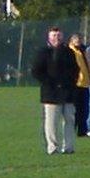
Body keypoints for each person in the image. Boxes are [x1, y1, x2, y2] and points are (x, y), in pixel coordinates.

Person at [30, 27, 79, 155]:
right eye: (53, 35)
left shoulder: (69, 52)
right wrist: (50, 82)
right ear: (49, 37)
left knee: (69, 120)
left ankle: (69, 147)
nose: (56, 38)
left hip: (68, 92)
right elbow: (36, 71)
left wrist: (71, 84)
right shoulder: (43, 52)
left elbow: (76, 70)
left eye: (58, 35)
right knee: (51, 122)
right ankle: (52, 147)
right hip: (50, 93)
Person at [69, 32, 90, 136]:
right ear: (72, 41)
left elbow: (88, 66)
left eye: (79, 40)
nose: (78, 42)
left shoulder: (83, 51)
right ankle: (71, 130)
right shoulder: (71, 51)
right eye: (76, 40)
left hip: (85, 83)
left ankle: (82, 131)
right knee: (75, 109)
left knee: (84, 109)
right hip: (76, 84)